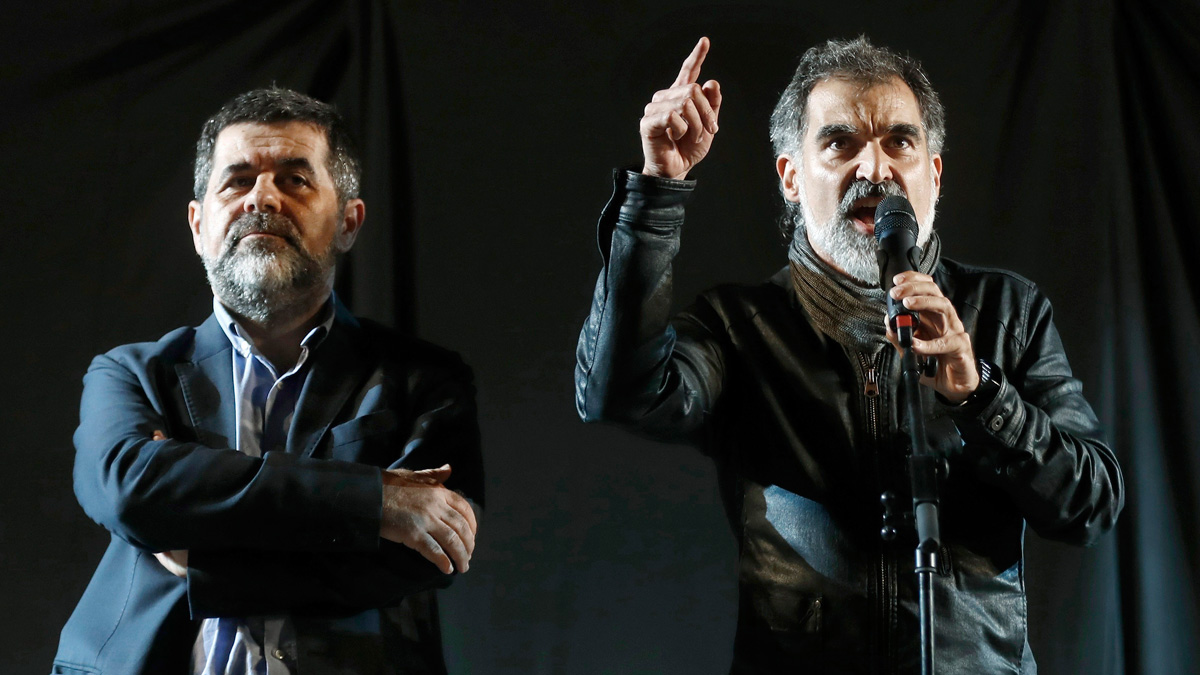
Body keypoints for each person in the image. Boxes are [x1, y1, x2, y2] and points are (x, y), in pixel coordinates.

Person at [575, 36, 1123, 673]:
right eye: (840, 143)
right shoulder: (739, 327)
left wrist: (980, 395)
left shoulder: (1009, 311)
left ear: (934, 175)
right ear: (791, 178)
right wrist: (656, 191)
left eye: (900, 142)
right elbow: (616, 392)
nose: (875, 169)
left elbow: (1091, 504)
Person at [52, 87, 484, 675]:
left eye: (295, 180)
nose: (262, 198)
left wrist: (202, 560)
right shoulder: (130, 373)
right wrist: (374, 499)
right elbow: (130, 490)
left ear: (349, 222)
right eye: (237, 181)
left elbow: (421, 555)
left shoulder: (426, 381)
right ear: (198, 225)